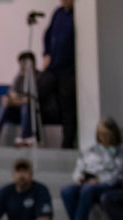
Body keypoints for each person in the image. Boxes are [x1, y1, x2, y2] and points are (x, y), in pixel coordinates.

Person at [60, 118, 123, 220]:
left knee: (87, 189)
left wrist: (99, 179)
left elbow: (119, 173)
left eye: (106, 134)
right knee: (67, 191)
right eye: (101, 134)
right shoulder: (90, 150)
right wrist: (79, 177)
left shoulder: (120, 152)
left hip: (107, 183)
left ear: (113, 134)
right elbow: (79, 167)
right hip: (87, 181)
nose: (103, 137)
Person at [38, 0, 76, 149]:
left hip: (68, 72)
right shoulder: (58, 13)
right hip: (53, 68)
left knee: (68, 110)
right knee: (34, 96)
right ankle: (32, 137)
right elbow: (47, 35)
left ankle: (67, 145)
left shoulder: (79, 15)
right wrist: (46, 53)